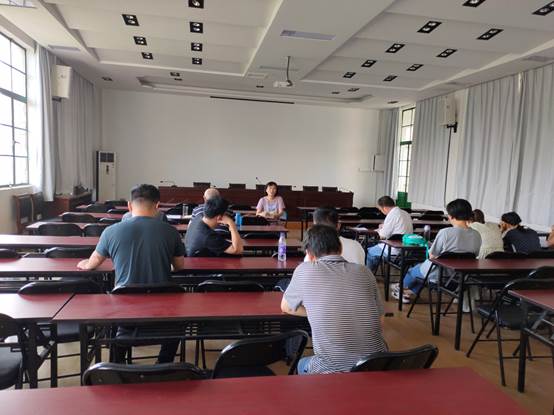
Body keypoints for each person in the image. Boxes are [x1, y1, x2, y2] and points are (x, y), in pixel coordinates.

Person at [77, 184, 185, 363]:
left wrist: (85, 263)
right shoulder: (171, 232)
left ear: (129, 205)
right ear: (157, 206)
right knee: (180, 322)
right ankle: (163, 363)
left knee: (115, 317)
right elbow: (179, 265)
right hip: (162, 312)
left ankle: (118, 364)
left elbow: (93, 262)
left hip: (125, 312)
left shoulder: (110, 232)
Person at [281, 225, 387, 374]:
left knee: (301, 364)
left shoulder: (304, 270)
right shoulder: (365, 271)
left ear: (309, 254)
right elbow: (381, 322)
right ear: (340, 248)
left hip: (334, 372)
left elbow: (286, 307)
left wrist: (319, 311)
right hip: (376, 364)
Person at [397, 199, 481, 303]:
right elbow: (474, 255)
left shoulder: (445, 232)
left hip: (439, 276)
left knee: (413, 270)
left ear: (451, 216)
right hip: (459, 279)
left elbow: (432, 256)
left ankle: (400, 289)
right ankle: (407, 292)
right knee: (422, 271)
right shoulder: (477, 234)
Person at [366, 196, 413, 270]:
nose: (381, 211)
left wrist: (380, 229)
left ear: (384, 208)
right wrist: (384, 226)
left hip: (394, 250)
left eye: (380, 209)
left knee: (369, 252)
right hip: (407, 249)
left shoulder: (392, 214)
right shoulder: (405, 213)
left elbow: (383, 236)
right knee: (374, 249)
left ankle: (368, 274)